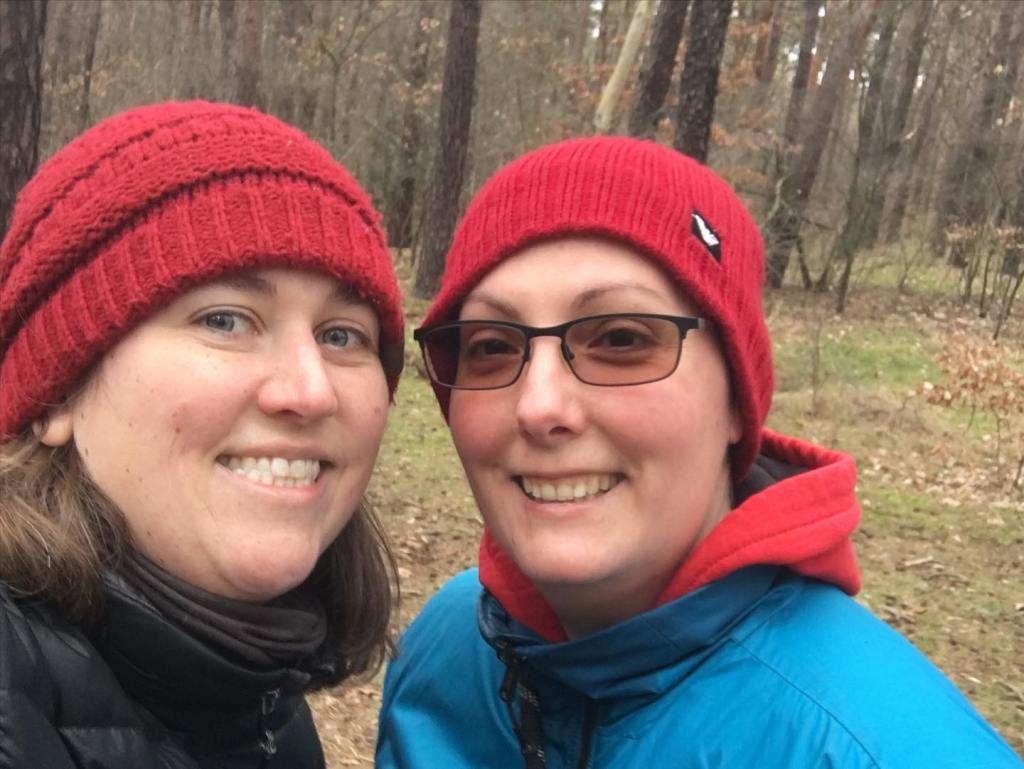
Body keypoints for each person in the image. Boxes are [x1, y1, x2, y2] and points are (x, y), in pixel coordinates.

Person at [376, 137, 1022, 768]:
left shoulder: (875, 747)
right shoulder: (448, 646)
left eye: (622, 339)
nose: (539, 407)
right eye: (492, 346)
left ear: (737, 401)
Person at [0, 101, 405, 769]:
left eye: (342, 335)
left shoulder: (257, 695)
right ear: (56, 394)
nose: (311, 390)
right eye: (225, 320)